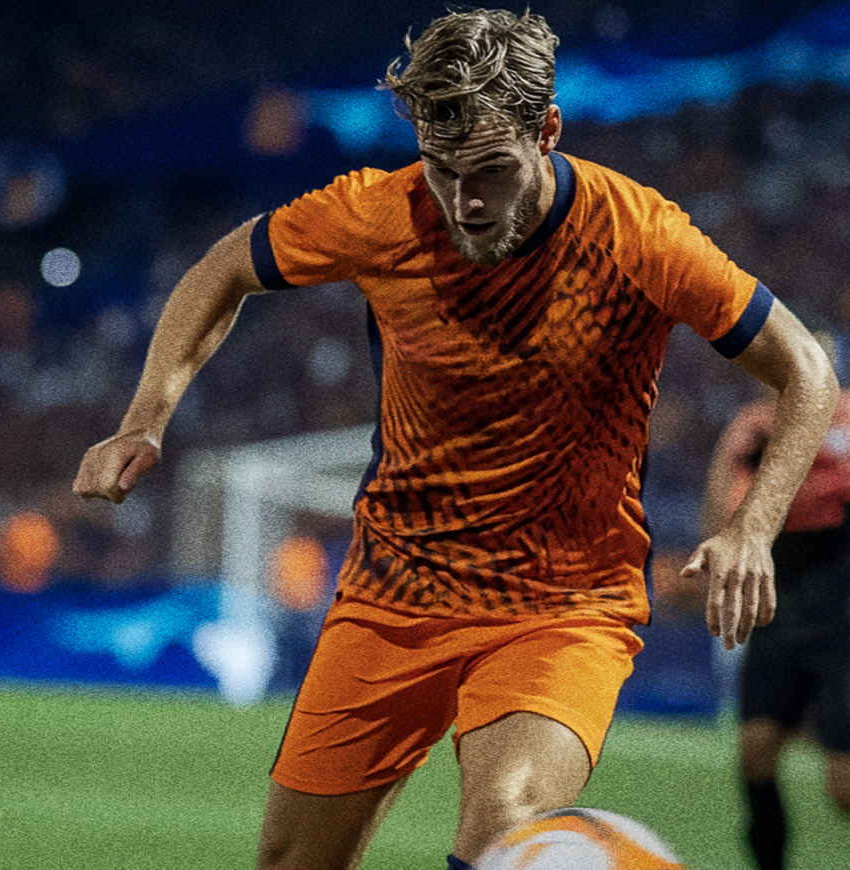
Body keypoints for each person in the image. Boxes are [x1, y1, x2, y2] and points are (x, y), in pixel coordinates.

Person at [71, 9, 839, 870]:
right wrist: (145, 417)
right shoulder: (377, 211)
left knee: (505, 828)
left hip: (562, 606)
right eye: (443, 170)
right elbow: (225, 268)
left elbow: (807, 370)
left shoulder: (638, 234)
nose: (466, 202)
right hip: (392, 594)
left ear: (548, 132)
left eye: (491, 170)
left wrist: (752, 528)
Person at [701, 321, 850, 870]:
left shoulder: (847, 420)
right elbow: (722, 515)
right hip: (779, 612)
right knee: (755, 752)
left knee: (844, 788)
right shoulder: (751, 427)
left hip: (842, 617)